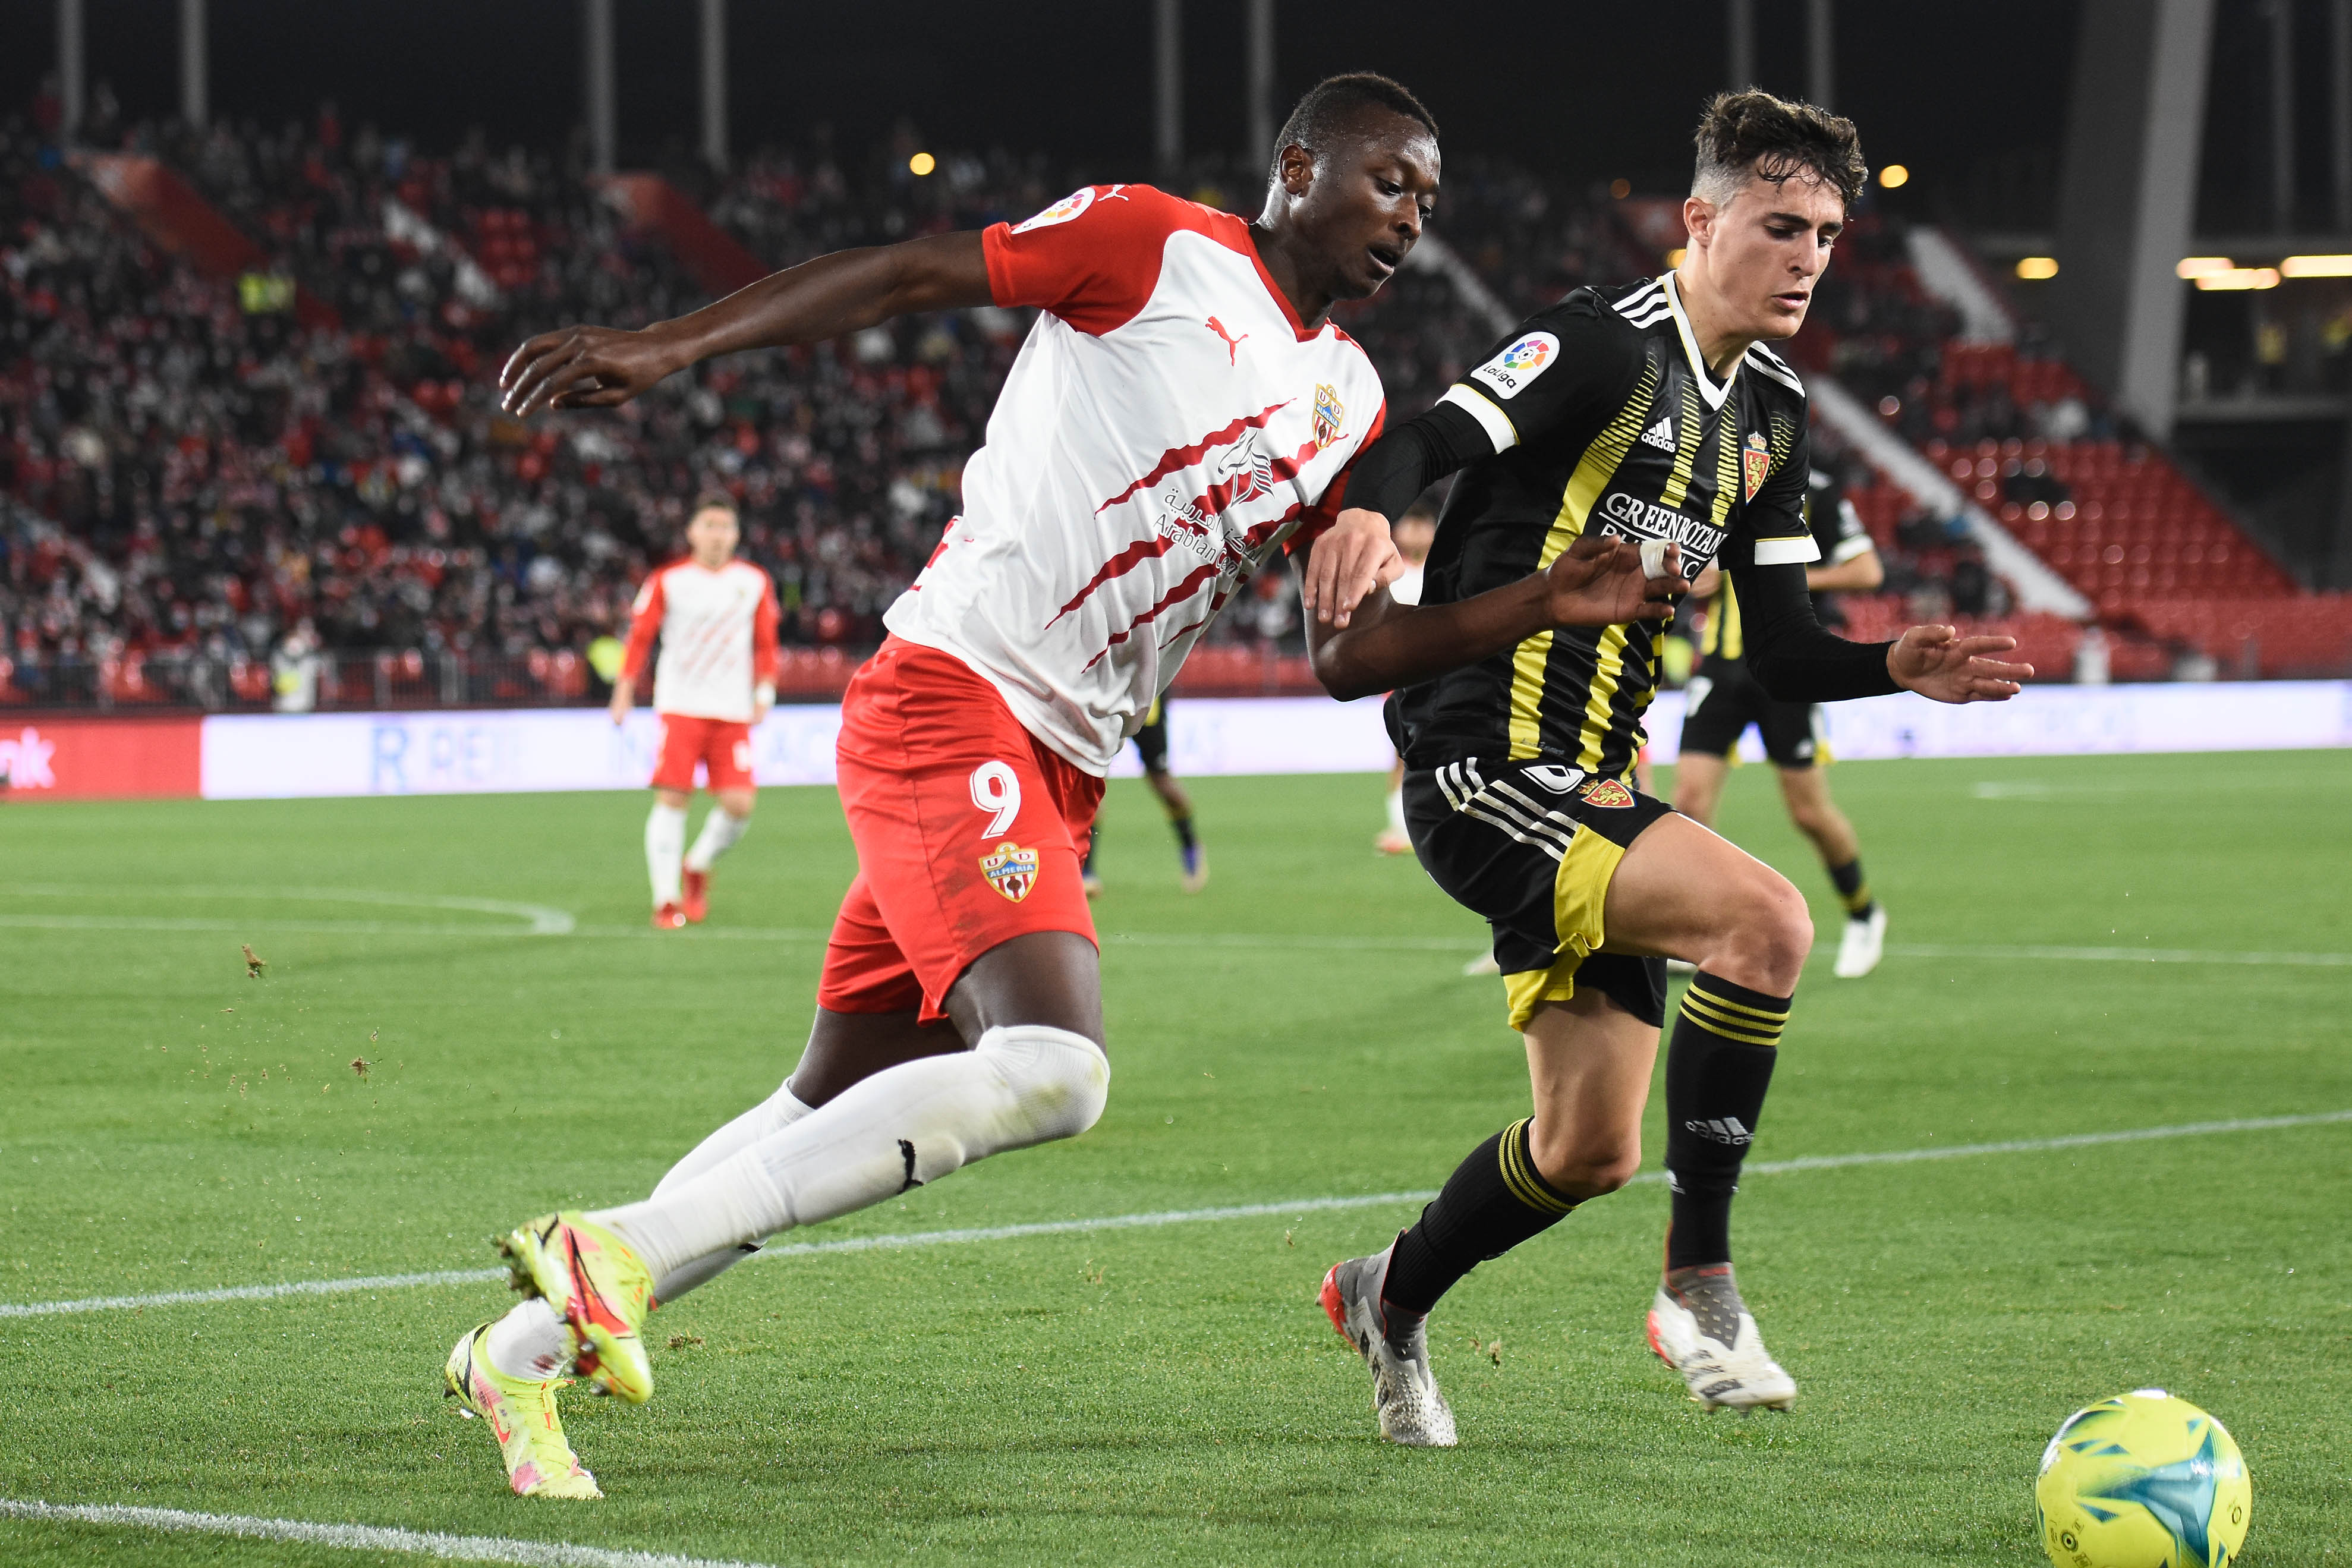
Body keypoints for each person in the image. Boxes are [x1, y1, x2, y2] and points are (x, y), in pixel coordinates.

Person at [440, 74, 1459, 1500]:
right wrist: (673, 346)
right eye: (1389, 180)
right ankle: (617, 1245)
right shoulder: (1151, 239)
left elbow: (1349, 649)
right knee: (1057, 1066)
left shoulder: (1347, 397)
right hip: (952, 696)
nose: (1412, 216)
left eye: (1427, 197)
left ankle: (525, 1349)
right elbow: (911, 273)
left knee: (823, 1099)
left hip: (1063, 765)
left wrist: (1538, 596)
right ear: (1298, 165)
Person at [1297, 90, 2030, 1446]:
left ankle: (1383, 1293)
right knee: (1768, 917)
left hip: (1592, 785)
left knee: (1586, 1147)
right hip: (1482, 760)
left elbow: (1791, 644)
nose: (1808, 255)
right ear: (1700, 221)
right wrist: (1360, 516)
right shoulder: (1596, 345)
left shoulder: (1771, 410)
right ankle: (1699, 1283)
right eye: (1779, 224)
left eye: (1825, 231)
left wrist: (1893, 666)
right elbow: (1425, 436)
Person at [1674, 464, 1888, 977]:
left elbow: (1866, 571)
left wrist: (1778, 573)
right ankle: (1696, 934)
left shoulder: (1816, 489)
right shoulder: (1711, 479)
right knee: (1688, 804)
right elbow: (1695, 571)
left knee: (1808, 814)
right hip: (1721, 669)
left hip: (1787, 670)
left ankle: (1863, 914)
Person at [610, 493, 780, 929]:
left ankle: (698, 864)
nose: (717, 534)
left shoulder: (754, 581)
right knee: (672, 797)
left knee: (740, 805)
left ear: (736, 534)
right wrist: (624, 689)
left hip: (732, 709)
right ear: (691, 532)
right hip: (680, 705)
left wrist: (765, 693)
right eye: (709, 525)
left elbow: (765, 643)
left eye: (725, 526)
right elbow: (641, 636)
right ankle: (666, 900)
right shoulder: (668, 579)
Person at [1080, 695, 1207, 895]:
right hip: (1108, 700)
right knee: (1094, 781)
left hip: (1146, 704)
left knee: (1162, 783)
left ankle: (1190, 845)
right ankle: (1086, 870)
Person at [1375, 499, 1439, 855]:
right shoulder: (1389, 574)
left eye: (1422, 525)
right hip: (1403, 680)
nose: (1415, 532)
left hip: (1442, 675)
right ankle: (1400, 829)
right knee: (1401, 754)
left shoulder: (1441, 572)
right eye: (1410, 525)